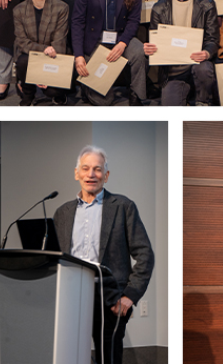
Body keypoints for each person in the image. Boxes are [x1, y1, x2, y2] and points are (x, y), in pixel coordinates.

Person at [54, 146, 154, 364]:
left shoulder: (123, 207)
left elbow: (145, 253)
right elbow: (55, 256)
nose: (91, 174)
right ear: (76, 173)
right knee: (67, 355)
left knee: (107, 357)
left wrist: (129, 296)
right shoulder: (62, 212)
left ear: (106, 176)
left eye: (97, 169)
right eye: (86, 168)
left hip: (109, 296)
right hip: (70, 295)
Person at [71, 0, 146, 106]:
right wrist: (79, 56)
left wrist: (123, 43)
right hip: (94, 40)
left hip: (120, 37)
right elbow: (77, 20)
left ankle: (137, 95)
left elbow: (134, 19)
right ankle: (87, 88)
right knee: (105, 102)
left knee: (139, 51)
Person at [143, 0, 218, 106]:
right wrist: (150, 48)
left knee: (203, 70)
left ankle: (202, 101)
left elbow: (213, 39)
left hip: (198, 63)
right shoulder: (159, 7)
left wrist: (206, 53)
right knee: (171, 107)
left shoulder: (206, 4)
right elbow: (156, 41)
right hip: (173, 70)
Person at [14, 0, 70, 106]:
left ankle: (59, 93)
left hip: (55, 55)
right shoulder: (19, 10)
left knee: (52, 91)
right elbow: (22, 42)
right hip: (31, 55)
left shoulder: (61, 8)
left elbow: (59, 42)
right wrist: (43, 50)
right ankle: (28, 93)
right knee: (22, 61)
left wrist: (44, 74)